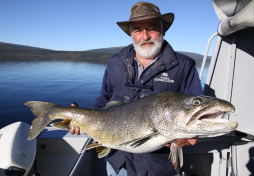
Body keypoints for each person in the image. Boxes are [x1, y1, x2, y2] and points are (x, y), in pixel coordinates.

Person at [70, 1, 203, 175]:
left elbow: (196, 111)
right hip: (118, 160)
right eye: (137, 30)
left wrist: (190, 136)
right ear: (131, 34)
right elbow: (104, 98)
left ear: (163, 28)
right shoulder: (115, 62)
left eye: (152, 28)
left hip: (158, 164)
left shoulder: (184, 65)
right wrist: (85, 119)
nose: (145, 36)